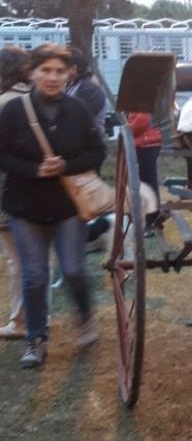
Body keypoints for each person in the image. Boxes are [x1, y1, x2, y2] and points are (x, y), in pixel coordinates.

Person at [0, 43, 106, 368]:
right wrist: (34, 169)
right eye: (45, 70)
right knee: (34, 276)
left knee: (73, 269)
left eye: (60, 71)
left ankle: (85, 319)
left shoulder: (77, 109)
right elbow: (2, 155)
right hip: (25, 205)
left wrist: (66, 166)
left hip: (66, 206)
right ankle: (35, 338)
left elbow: (97, 152)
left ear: (68, 74)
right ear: (31, 73)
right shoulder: (13, 111)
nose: (52, 77)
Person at [0, 47, 30, 339]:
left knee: (17, 260)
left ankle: (21, 320)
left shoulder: (4, 103)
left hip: (8, 193)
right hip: (39, 192)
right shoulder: (35, 101)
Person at [128, 112, 162, 235]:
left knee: (147, 183)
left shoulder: (141, 97)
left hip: (146, 143)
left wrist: (127, 129)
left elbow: (142, 120)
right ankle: (151, 219)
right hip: (145, 143)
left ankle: (151, 220)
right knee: (147, 182)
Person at [66, 47, 109, 136]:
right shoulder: (73, 85)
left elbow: (78, 119)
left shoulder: (89, 90)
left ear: (73, 69)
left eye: (62, 68)